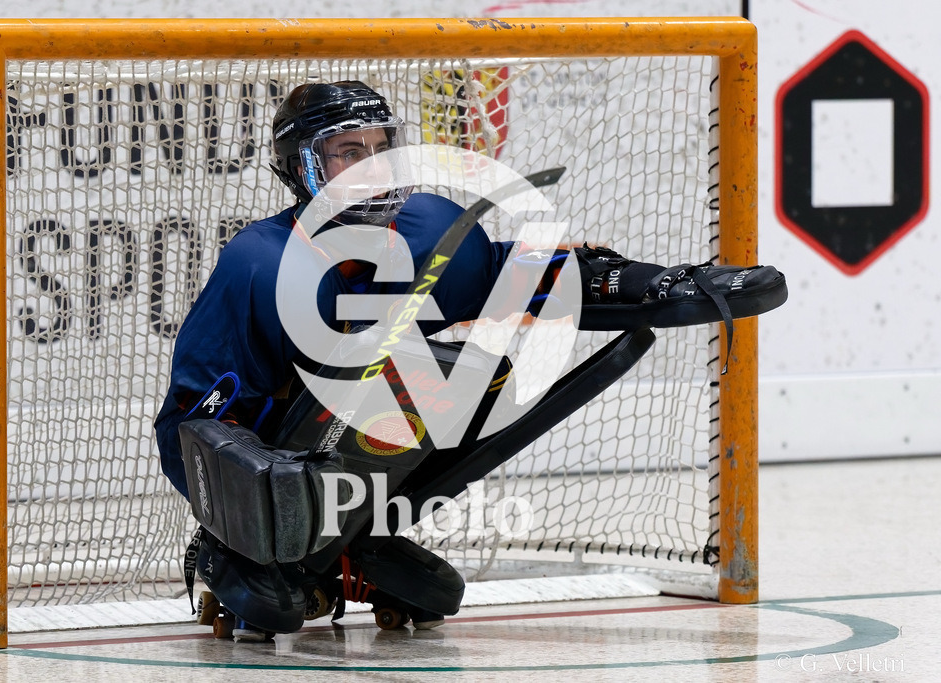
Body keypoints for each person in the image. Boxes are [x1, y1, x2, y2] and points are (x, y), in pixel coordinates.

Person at [154, 80, 787, 641]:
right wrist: (256, 517)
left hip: (363, 454)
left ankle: (347, 543)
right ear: (300, 169)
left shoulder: (432, 230)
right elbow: (192, 420)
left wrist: (657, 284)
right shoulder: (260, 264)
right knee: (276, 592)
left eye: (383, 149)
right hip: (272, 454)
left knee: (456, 371)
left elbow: (541, 277)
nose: (372, 168)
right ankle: (238, 552)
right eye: (349, 152)